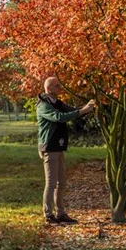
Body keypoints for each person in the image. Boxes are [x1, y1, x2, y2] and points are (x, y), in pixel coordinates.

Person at [37, 76, 95, 224]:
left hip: (59, 147)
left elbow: (74, 111)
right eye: (57, 86)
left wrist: (87, 108)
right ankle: (48, 215)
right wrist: (82, 111)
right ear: (49, 89)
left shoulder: (57, 103)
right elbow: (59, 118)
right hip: (49, 147)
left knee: (61, 182)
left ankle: (60, 213)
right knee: (50, 183)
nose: (60, 88)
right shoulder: (43, 105)